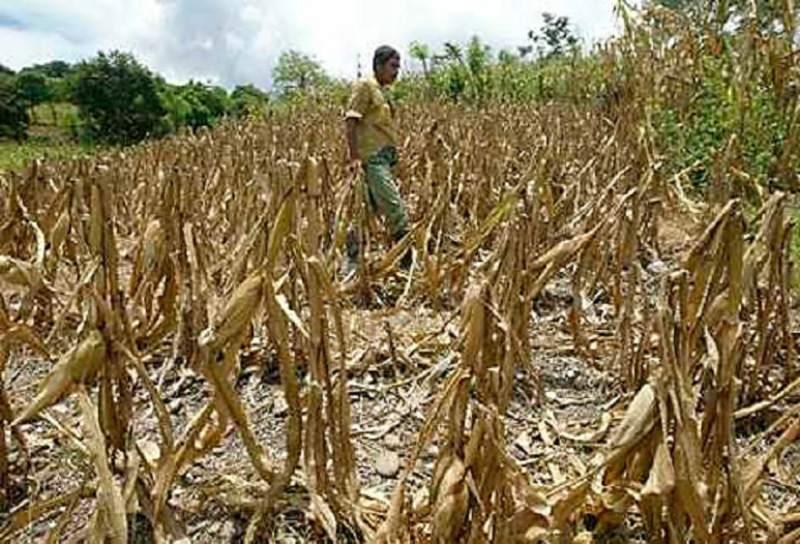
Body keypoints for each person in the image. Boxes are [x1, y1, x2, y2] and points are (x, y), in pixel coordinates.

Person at [344, 45, 412, 275]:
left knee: (365, 212)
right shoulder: (365, 86)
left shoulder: (384, 92)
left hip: (383, 160)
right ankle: (406, 263)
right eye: (393, 66)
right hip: (371, 160)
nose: (396, 72)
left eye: (398, 67)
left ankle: (351, 262)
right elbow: (351, 120)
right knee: (395, 208)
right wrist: (353, 157)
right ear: (379, 65)